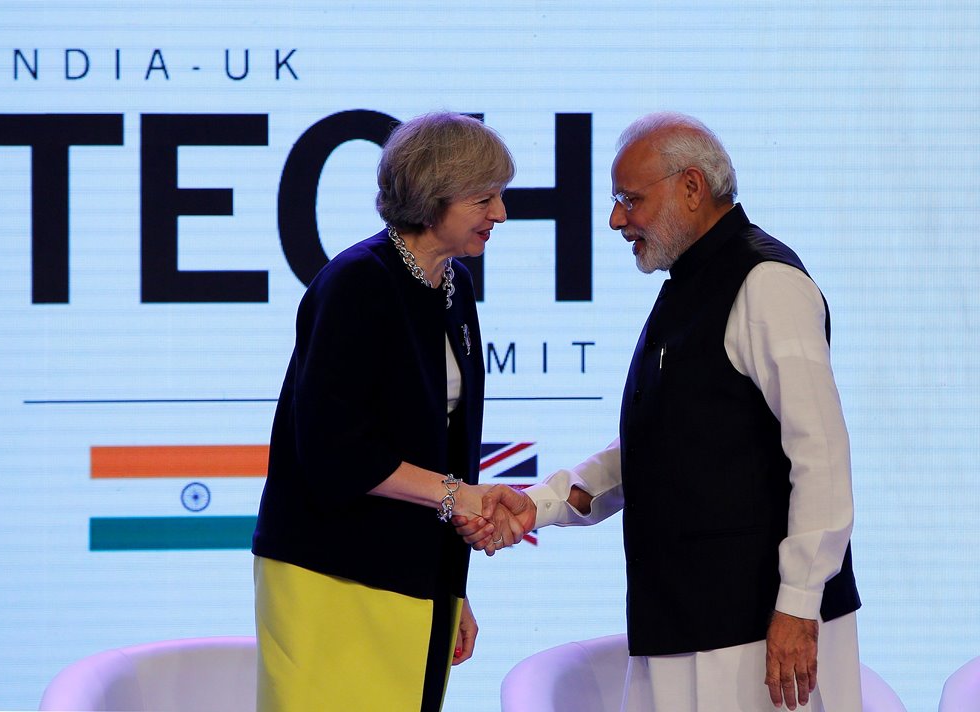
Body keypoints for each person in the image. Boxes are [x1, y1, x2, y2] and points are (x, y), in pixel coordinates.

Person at [455, 112, 862, 712]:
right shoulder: (688, 283)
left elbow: (820, 454)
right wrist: (540, 504)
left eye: (630, 200)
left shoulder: (766, 283)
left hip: (759, 636)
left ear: (692, 187)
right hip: (681, 625)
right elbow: (665, 446)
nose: (617, 220)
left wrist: (799, 604)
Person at [252, 111, 515, 712]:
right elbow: (333, 451)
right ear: (433, 196)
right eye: (484, 199)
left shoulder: (454, 286)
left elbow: (445, 444)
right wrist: (457, 496)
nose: (500, 214)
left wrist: (453, 587)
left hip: (417, 577)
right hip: (329, 575)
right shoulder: (355, 283)